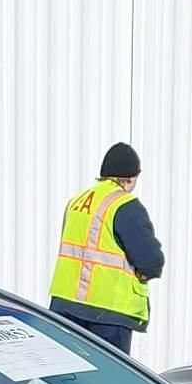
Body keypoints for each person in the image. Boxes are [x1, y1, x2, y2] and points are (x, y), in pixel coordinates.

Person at [48, 141, 164, 353]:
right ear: (130, 178)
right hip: (108, 313)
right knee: (108, 382)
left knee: (71, 378)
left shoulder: (76, 202)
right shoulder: (124, 204)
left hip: (65, 306)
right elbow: (151, 261)